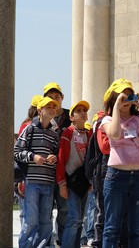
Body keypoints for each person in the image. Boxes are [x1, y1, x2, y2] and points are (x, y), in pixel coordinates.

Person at [100, 78, 139, 247]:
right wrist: (116, 108)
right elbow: (115, 134)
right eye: (122, 97)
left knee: (137, 229)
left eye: (130, 97)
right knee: (111, 228)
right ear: (114, 98)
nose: (126, 101)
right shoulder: (107, 120)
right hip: (117, 176)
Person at [14, 97, 60, 247]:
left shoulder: (54, 135)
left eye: (54, 106)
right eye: (48, 106)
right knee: (31, 220)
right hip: (32, 182)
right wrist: (33, 157)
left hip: (48, 183)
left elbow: (57, 155)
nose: (53, 109)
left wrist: (54, 158)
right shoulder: (30, 129)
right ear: (40, 110)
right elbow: (17, 151)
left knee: (46, 221)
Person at [56, 100, 92, 248]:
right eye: (78, 111)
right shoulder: (68, 133)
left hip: (84, 182)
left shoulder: (90, 134)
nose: (83, 113)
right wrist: (62, 183)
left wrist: (91, 182)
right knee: (74, 218)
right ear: (71, 117)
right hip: (71, 181)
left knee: (80, 220)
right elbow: (61, 159)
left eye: (84, 110)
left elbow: (92, 160)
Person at [43, 82, 72, 246]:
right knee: (45, 212)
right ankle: (46, 243)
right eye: (50, 97)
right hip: (45, 172)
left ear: (62, 98)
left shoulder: (70, 116)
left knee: (65, 211)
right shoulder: (40, 119)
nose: (54, 100)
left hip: (65, 172)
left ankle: (62, 241)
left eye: (57, 97)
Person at [15, 94, 43, 227]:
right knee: (27, 212)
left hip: (32, 174)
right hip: (28, 173)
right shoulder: (27, 126)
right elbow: (19, 152)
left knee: (27, 211)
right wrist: (20, 180)